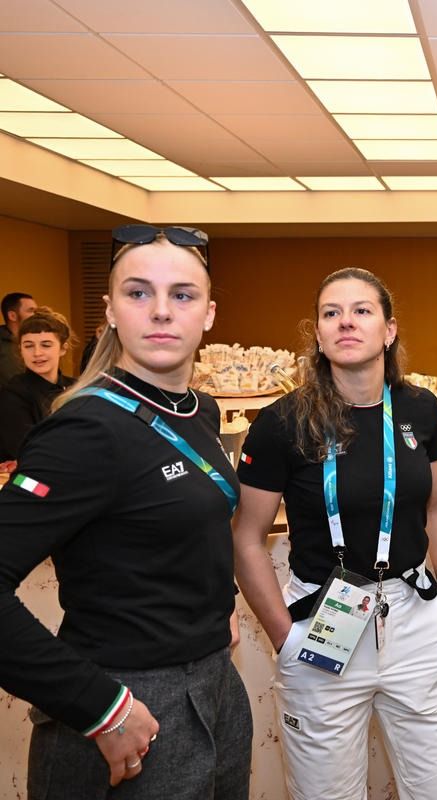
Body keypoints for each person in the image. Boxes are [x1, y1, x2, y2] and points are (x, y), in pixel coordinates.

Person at [0, 224, 251, 798]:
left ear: (209, 314)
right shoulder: (85, 429)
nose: (161, 311)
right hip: (130, 701)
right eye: (138, 293)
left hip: (214, 682)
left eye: (182, 295)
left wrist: (219, 603)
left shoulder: (200, 410)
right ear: (111, 310)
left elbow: (185, 521)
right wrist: (101, 707)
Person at [233, 267, 437, 800]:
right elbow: (246, 538)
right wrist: (284, 637)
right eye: (331, 313)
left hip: (413, 618)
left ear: (389, 330)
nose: (346, 322)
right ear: (318, 335)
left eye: (362, 310)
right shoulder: (281, 422)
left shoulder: (419, 409)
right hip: (320, 622)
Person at [0, 307, 76, 460]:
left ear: (63, 349)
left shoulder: (77, 387)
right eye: (28, 346)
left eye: (46, 345)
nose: (37, 353)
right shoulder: (13, 393)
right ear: (20, 350)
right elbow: (24, 450)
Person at [1, 291, 38, 384]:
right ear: (12, 316)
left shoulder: (37, 341)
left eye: (36, 311)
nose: (37, 315)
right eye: (31, 311)